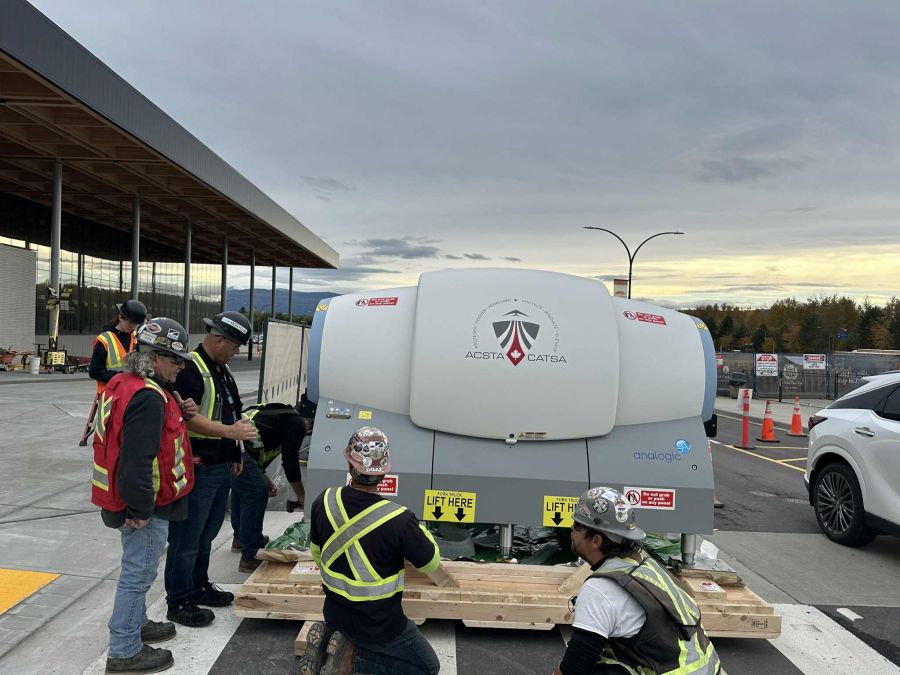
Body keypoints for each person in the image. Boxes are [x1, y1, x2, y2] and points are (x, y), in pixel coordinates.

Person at [91, 318, 195, 674]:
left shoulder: (124, 383)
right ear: (155, 357)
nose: (181, 366)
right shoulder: (148, 397)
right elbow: (136, 460)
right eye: (176, 359)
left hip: (126, 498)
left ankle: (136, 624)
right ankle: (124, 650)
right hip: (144, 505)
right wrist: (140, 509)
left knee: (138, 571)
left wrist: (180, 410)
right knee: (138, 574)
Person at [300, 427, 441, 675]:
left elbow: (316, 553)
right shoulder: (399, 519)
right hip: (380, 624)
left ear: (349, 464)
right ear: (384, 472)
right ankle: (351, 661)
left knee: (348, 630)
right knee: (427, 667)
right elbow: (429, 563)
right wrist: (420, 529)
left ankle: (331, 642)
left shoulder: (324, 500)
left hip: (335, 612)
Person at [554, 487, 721, 675]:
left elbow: (575, 666)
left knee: (596, 666)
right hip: (707, 670)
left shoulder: (599, 590)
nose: (571, 530)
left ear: (596, 540)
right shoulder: (643, 563)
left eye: (577, 526)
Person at [164, 311, 257, 627]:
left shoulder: (221, 369)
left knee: (206, 535)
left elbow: (229, 413)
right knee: (186, 538)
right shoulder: (190, 369)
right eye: (235, 345)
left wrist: (234, 451)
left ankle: (198, 585)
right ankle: (179, 601)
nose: (237, 352)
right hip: (198, 469)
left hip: (219, 466)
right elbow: (188, 417)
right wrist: (230, 434)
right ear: (220, 339)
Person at [231, 402, 309, 568]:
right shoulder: (297, 423)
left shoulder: (278, 416)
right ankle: (250, 554)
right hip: (238, 449)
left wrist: (266, 480)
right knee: (255, 492)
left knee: (243, 490)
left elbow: (257, 449)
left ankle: (241, 538)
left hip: (234, 447)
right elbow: (290, 462)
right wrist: (301, 495)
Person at [89, 300, 147, 393]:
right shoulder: (104, 340)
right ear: (120, 317)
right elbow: (94, 372)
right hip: (110, 394)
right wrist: (123, 377)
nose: (133, 326)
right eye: (130, 323)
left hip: (131, 393)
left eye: (136, 324)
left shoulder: (137, 338)